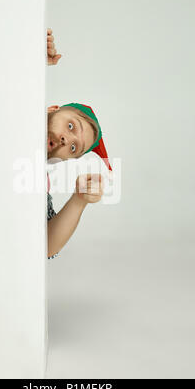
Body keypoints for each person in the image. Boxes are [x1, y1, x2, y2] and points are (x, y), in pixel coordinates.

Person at [46, 29, 112, 260]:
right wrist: (30, 61)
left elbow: (46, 245)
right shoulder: (10, 110)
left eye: (73, 148)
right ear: (53, 109)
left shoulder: (35, 180)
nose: (66, 140)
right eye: (71, 126)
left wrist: (79, 200)